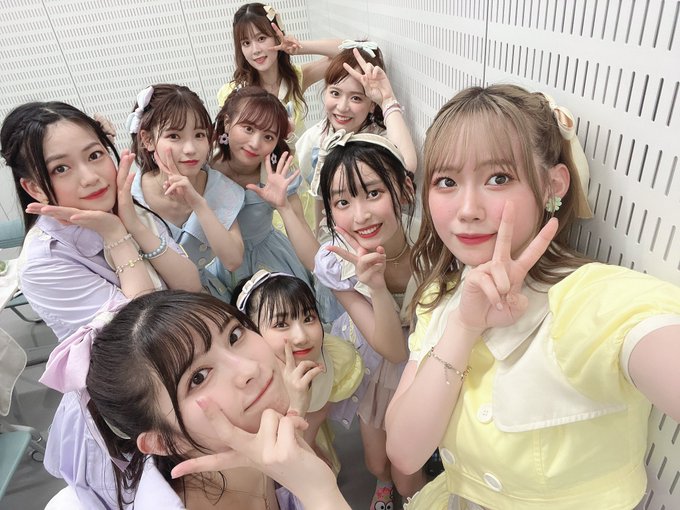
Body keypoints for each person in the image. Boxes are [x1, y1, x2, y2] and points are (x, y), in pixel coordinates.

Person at [384, 84, 680, 510]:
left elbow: (641, 330)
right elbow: (404, 452)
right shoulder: (443, 292)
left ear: (552, 185)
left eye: (498, 178)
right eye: (446, 181)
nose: (467, 209)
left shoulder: (586, 298)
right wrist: (464, 326)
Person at [1, 101, 202, 508]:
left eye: (94, 155)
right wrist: (116, 235)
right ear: (34, 188)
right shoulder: (43, 262)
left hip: (187, 374)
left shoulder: (122, 206)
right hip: (131, 409)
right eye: (61, 168)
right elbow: (146, 339)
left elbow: (191, 287)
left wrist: (131, 221)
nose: (90, 176)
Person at [41, 290, 351, 510]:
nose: (248, 369)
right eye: (198, 377)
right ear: (161, 442)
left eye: (234, 335)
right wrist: (321, 494)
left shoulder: (272, 445)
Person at [251, 132, 427, 508]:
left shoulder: (433, 243)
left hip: (431, 357)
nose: (360, 216)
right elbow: (394, 351)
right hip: (383, 358)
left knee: (410, 470)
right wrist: (376, 287)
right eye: (342, 202)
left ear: (404, 189)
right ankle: (383, 484)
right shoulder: (342, 261)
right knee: (377, 463)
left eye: (373, 193)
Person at [235, 270, 364, 473]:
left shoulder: (332, 359)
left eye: (308, 318)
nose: (302, 337)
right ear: (251, 332)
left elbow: (316, 418)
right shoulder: (249, 391)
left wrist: (311, 448)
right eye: (281, 324)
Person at [128, 83, 245, 301]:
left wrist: (198, 203)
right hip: (154, 305)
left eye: (199, 135)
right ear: (148, 140)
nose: (191, 149)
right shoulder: (131, 197)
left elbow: (233, 260)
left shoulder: (219, 187)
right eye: (174, 136)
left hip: (209, 299)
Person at [209, 85, 317, 305]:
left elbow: (304, 235)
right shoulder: (205, 167)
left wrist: (283, 205)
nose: (255, 143)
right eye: (248, 128)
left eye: (268, 136)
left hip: (272, 260)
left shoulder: (276, 174)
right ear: (227, 123)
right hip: (219, 262)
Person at [295, 43, 418, 232]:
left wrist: (386, 99)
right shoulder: (315, 138)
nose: (342, 107)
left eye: (356, 98)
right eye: (335, 93)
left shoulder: (377, 139)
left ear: (372, 104)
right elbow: (318, 201)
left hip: (374, 233)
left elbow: (406, 166)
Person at [218, 2, 341, 138]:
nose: (255, 50)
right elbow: (228, 144)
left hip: (298, 153)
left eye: (261, 38)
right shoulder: (232, 92)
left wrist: (299, 47)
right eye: (246, 43)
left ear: (277, 38)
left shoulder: (296, 78)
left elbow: (349, 50)